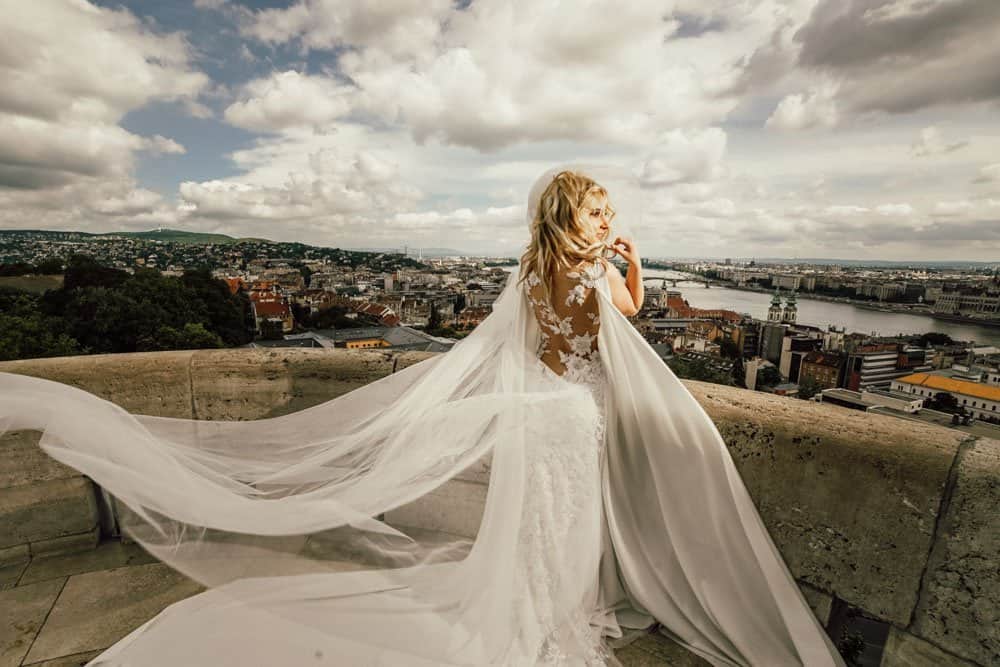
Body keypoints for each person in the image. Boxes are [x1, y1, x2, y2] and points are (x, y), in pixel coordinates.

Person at [0, 165, 847, 666]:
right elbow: (627, 315)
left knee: (537, 528)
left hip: (539, 412)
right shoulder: (592, 280)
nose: (608, 222)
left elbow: (515, 348)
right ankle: (552, 615)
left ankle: (536, 605)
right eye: (600, 213)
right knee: (569, 524)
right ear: (572, 217)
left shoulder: (525, 278)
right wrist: (636, 263)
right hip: (574, 418)